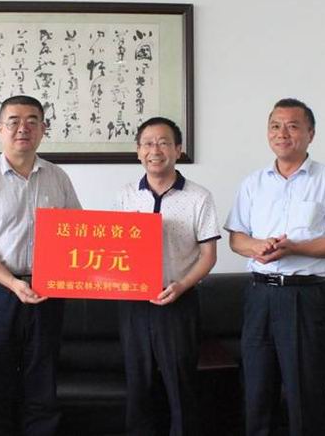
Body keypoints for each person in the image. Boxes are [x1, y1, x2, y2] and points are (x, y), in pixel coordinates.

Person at [225, 98, 325, 436]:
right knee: (257, 390)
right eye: (275, 126)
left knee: (305, 392)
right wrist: (257, 246)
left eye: (292, 126)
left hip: (305, 297)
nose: (282, 133)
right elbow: (236, 239)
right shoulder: (252, 183)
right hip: (259, 295)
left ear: (310, 134)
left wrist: (294, 248)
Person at [0, 95, 81, 436]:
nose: (23, 128)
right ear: (0, 129)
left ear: (43, 129)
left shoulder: (57, 177)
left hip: (48, 290)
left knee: (43, 380)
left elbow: (78, 234)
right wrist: (12, 283)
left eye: (32, 121)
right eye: (14, 121)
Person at [116, 117, 220, 436]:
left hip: (179, 300)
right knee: (138, 385)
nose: (155, 150)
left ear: (178, 149)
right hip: (134, 304)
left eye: (163, 143)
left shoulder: (199, 197)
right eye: (148, 144)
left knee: (180, 384)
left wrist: (182, 285)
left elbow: (208, 255)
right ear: (138, 151)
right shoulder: (126, 195)